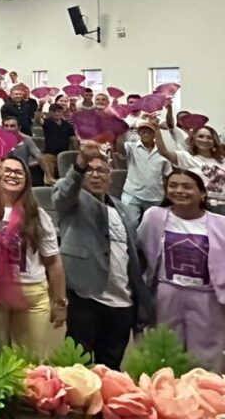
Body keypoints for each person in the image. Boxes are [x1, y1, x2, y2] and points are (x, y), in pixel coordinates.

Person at [53, 142, 152, 368]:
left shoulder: (122, 209)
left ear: (110, 177)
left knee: (111, 368)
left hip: (122, 301)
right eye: (90, 170)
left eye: (102, 171)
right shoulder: (74, 200)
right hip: (87, 296)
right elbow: (63, 194)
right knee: (78, 368)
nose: (96, 175)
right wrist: (79, 166)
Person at [138, 169, 225, 371]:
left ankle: (204, 388)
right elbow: (139, 252)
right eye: (173, 185)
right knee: (166, 349)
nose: (179, 190)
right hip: (167, 292)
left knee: (206, 355)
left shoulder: (220, 224)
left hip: (207, 296)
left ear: (202, 193)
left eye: (187, 186)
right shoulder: (154, 217)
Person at [0, 157, 67, 359]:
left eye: (18, 172)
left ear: (27, 180)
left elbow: (53, 261)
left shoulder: (37, 215)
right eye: (7, 170)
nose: (12, 175)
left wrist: (60, 302)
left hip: (32, 294)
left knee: (31, 359)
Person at [155, 123, 225, 213]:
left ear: (214, 141)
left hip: (222, 205)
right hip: (199, 205)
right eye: (200, 136)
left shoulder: (222, 160)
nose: (205, 140)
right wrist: (157, 130)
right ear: (194, 139)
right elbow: (163, 152)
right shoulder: (186, 157)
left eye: (209, 137)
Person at [116, 121, 171, 228]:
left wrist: (165, 196)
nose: (146, 133)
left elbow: (166, 175)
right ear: (139, 133)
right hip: (132, 193)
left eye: (149, 131)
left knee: (154, 226)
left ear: (154, 134)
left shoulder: (162, 152)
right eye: (143, 130)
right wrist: (120, 129)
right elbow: (120, 148)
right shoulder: (131, 147)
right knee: (129, 224)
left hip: (155, 196)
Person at [1, 116, 45, 187]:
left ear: (19, 128)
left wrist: (48, 175)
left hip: (21, 174)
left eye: (12, 126)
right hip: (2, 174)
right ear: (2, 127)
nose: (9, 129)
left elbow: (39, 156)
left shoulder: (26, 140)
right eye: (6, 126)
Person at [41, 103, 76, 184]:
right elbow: (37, 120)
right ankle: (48, 184)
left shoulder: (67, 125)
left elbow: (72, 139)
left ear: (62, 112)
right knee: (46, 159)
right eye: (54, 111)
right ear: (50, 112)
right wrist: (40, 107)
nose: (56, 113)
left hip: (64, 154)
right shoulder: (46, 122)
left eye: (59, 111)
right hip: (50, 154)